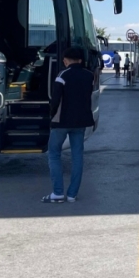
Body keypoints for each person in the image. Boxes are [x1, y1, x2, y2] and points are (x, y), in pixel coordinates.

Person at [43, 47, 95, 203]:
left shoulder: (62, 75)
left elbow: (55, 100)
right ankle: (72, 194)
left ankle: (57, 192)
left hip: (61, 122)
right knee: (77, 156)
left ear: (66, 60)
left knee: (54, 153)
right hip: (81, 122)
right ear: (80, 60)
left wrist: (51, 116)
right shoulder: (89, 76)